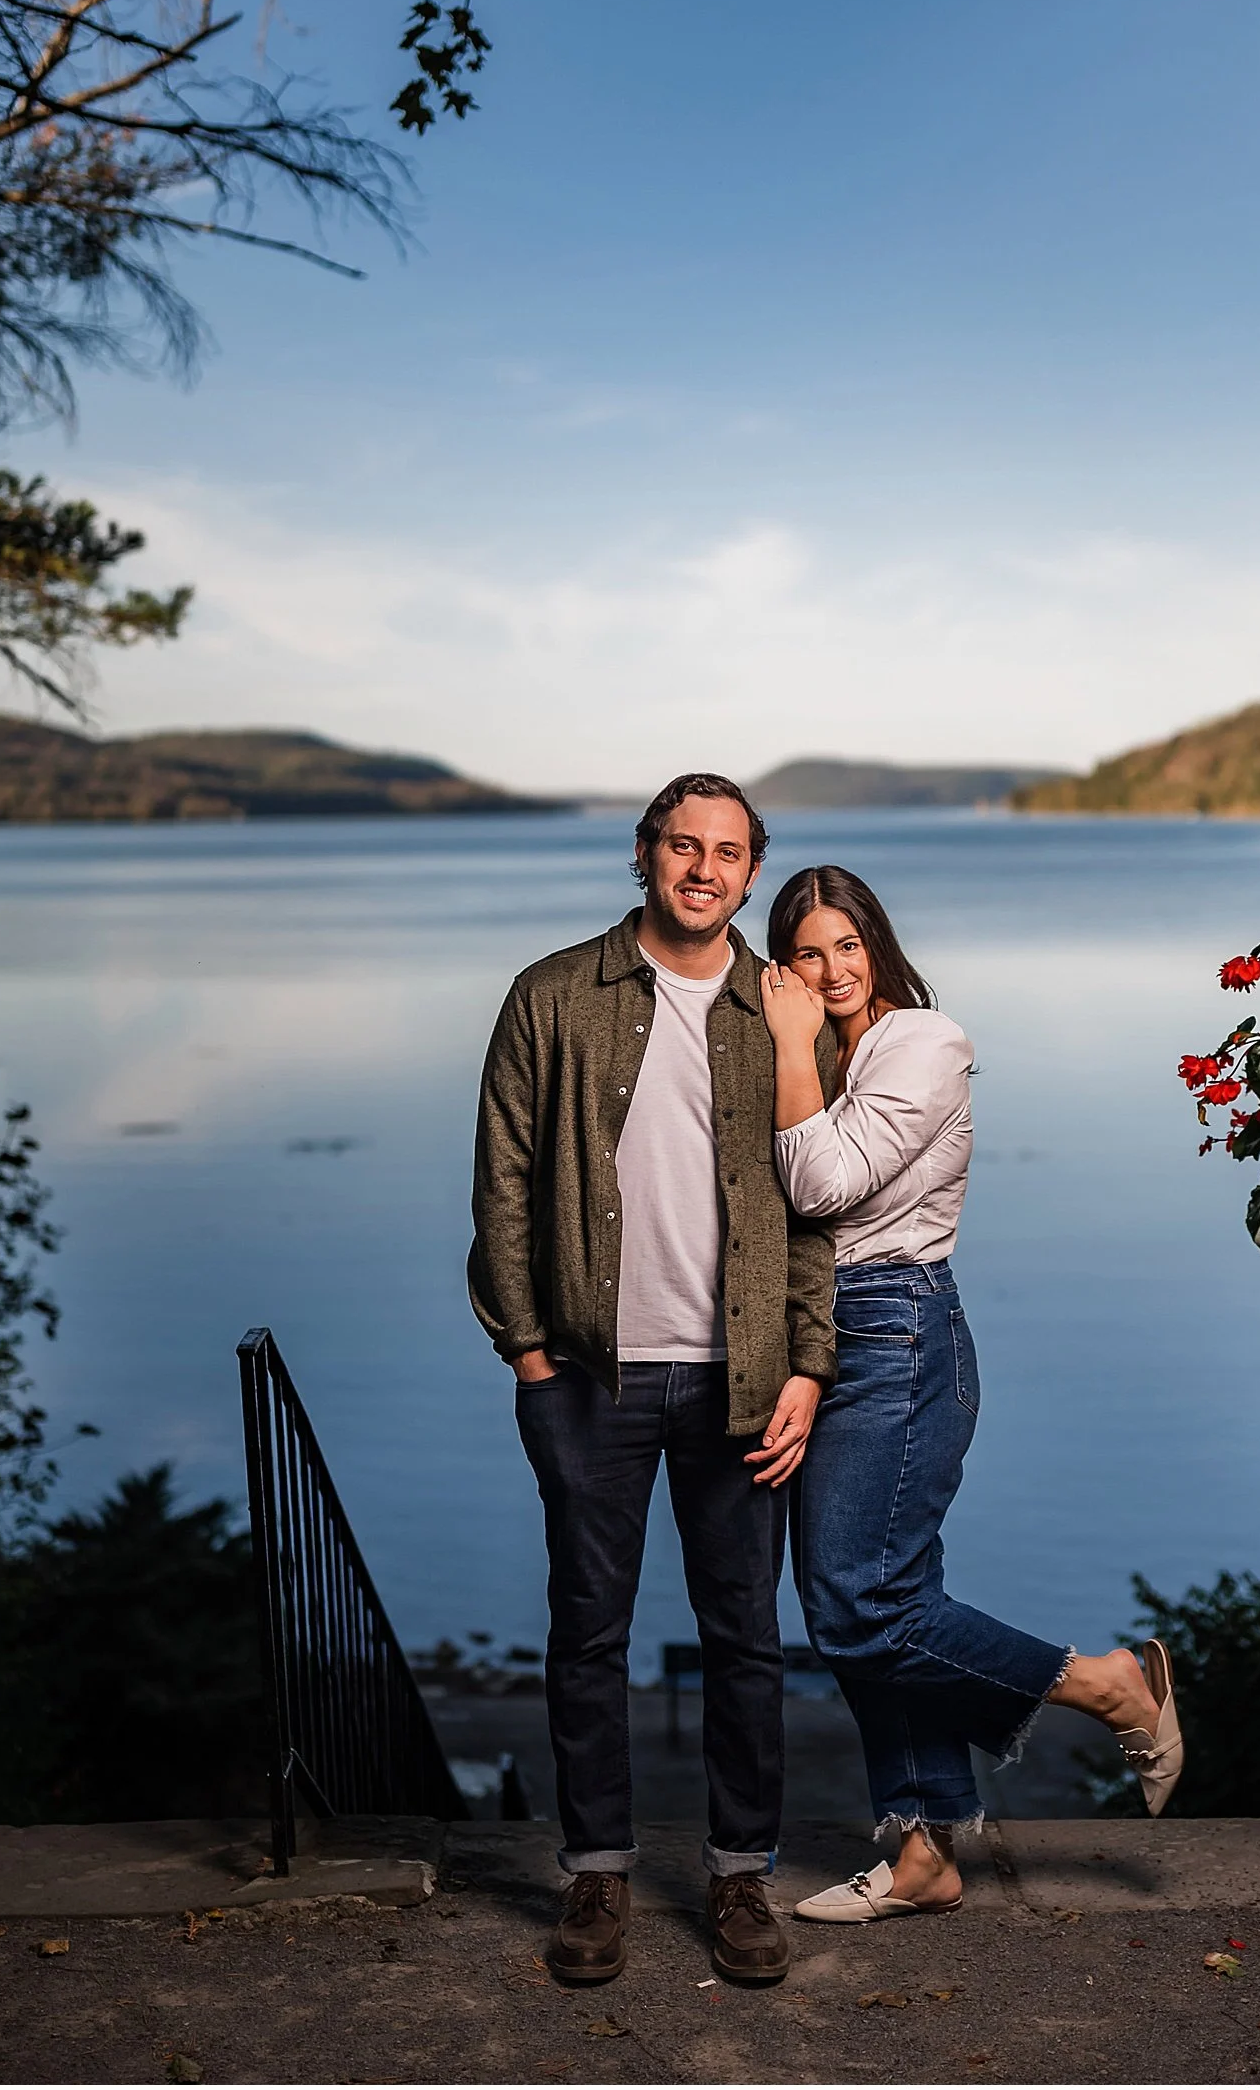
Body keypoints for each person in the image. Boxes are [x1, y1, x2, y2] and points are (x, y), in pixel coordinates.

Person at [758, 863, 1184, 1926]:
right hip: (821, 1330)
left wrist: (781, 1042)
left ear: (878, 944)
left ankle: (1104, 1682)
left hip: (894, 1332)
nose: (831, 969)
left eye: (847, 945)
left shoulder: (923, 1043)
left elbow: (816, 1185)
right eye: (807, 952)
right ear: (784, 963)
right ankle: (921, 1850)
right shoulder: (820, 1048)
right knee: (863, 1597)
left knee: (861, 1603)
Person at [469, 776, 836, 1988]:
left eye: (729, 851)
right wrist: (529, 1355)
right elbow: (504, 1180)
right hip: (591, 1374)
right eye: (685, 842)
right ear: (645, 853)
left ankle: (740, 1877)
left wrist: (805, 1365)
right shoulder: (552, 994)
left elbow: (816, 1202)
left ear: (748, 871)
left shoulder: (779, 1009)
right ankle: (597, 1872)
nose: (704, 866)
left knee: (744, 1638)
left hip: (741, 1380)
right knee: (588, 1633)